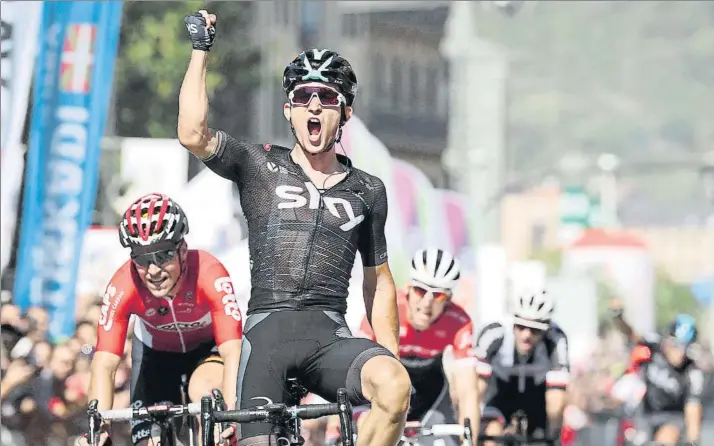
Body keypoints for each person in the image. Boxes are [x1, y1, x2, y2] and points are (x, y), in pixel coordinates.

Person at [178, 10, 411, 446]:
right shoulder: (260, 165)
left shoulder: (368, 189)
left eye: (327, 96)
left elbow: (378, 283)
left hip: (330, 337)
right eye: (304, 96)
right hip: (267, 336)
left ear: (345, 111)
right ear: (289, 109)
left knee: (396, 386)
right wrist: (200, 51)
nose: (315, 105)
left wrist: (389, 361)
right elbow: (192, 134)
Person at [76, 193, 243, 446]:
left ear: (183, 250)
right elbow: (105, 363)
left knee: (204, 397)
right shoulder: (123, 285)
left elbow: (233, 351)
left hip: (207, 351)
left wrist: (230, 416)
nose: (154, 270)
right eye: (142, 259)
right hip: (155, 356)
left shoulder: (209, 271)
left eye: (163, 255)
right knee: (149, 441)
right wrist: (98, 427)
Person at [358, 248, 479, 445]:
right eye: (421, 290)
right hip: (379, 391)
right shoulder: (386, 307)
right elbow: (352, 368)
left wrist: (470, 440)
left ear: (448, 299)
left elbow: (468, 390)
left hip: (430, 395)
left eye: (438, 295)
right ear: (408, 288)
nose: (427, 303)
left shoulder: (459, 321)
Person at [474, 290, 569, 445]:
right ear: (513, 322)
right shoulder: (494, 333)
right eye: (521, 327)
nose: (526, 335)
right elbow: (476, 389)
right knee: (491, 433)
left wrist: (552, 437)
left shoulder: (556, 339)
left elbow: (556, 398)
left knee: (543, 438)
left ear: (546, 328)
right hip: (499, 391)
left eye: (535, 330)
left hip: (536, 393)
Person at [610, 302, 704, 446]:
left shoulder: (692, 372)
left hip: (672, 418)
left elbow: (693, 409)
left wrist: (693, 441)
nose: (680, 353)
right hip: (645, 414)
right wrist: (619, 318)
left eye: (685, 348)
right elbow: (631, 334)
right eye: (676, 345)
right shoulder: (655, 345)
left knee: (666, 439)